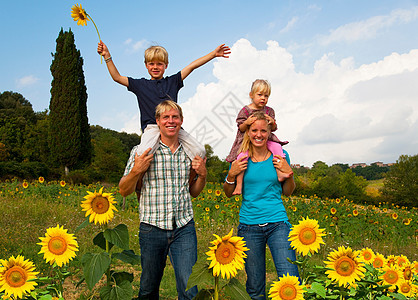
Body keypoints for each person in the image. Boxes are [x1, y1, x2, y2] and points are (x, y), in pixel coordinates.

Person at [119, 100, 207, 300]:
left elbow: (194, 192)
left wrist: (202, 175)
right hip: (152, 228)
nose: (171, 121)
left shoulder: (190, 153)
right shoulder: (141, 152)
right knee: (149, 288)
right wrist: (136, 170)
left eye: (175, 117)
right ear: (157, 121)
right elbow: (124, 190)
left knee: (190, 289)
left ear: (181, 121)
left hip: (184, 227)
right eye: (165, 117)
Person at [97, 41, 230, 159]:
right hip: (152, 127)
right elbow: (117, 77)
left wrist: (213, 54)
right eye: (151, 64)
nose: (155, 67)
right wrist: (107, 56)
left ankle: (190, 181)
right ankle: (140, 181)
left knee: (199, 151)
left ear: (166, 65)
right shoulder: (140, 85)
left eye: (159, 64)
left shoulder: (173, 82)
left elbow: (191, 67)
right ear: (146, 65)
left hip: (172, 126)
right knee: (143, 152)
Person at [223, 111, 300, 300]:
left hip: (278, 224)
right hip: (249, 227)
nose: (259, 135)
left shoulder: (280, 156)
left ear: (269, 132)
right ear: (248, 132)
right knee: (255, 287)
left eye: (263, 131)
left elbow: (288, 191)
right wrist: (231, 175)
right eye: (254, 130)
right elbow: (228, 192)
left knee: (290, 279)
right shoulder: (240, 159)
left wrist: (289, 174)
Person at [226, 79, 292, 195]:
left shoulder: (269, 110)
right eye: (260, 95)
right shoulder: (245, 110)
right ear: (251, 95)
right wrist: (247, 123)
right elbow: (240, 128)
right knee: (241, 158)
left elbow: (273, 128)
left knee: (277, 147)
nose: (263, 98)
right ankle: (239, 185)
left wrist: (272, 122)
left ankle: (280, 172)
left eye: (266, 96)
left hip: (268, 140)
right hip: (246, 141)